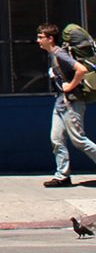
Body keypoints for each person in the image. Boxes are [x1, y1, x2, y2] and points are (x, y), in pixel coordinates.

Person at [37, 23, 96, 187]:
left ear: (50, 39)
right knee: (56, 139)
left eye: (41, 37)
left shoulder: (59, 53)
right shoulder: (52, 54)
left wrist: (70, 86)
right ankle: (62, 175)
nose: (38, 40)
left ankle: (62, 174)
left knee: (79, 140)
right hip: (61, 102)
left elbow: (81, 69)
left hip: (72, 101)